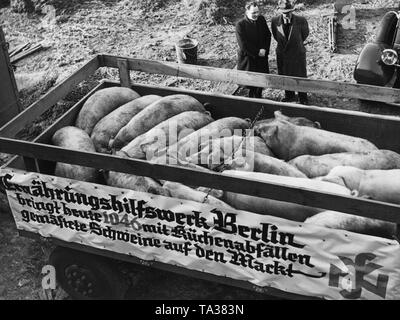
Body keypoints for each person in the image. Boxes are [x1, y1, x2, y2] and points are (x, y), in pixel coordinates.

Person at [271, 0, 310, 104]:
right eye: (284, 13)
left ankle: (303, 98)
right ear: (280, 11)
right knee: (285, 74)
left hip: (297, 53)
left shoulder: (301, 20)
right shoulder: (275, 21)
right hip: (283, 53)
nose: (286, 15)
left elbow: (305, 34)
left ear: (292, 11)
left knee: (300, 76)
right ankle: (289, 96)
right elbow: (276, 36)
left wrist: (295, 44)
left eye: (288, 12)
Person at [235, 1, 271, 98]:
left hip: (262, 56)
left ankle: (259, 97)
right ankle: (252, 99)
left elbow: (267, 35)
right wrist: (257, 52)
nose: (256, 15)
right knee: (251, 82)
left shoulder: (261, 20)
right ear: (247, 12)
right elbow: (243, 44)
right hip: (249, 57)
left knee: (261, 79)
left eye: (257, 12)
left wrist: (264, 49)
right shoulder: (240, 25)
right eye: (253, 13)